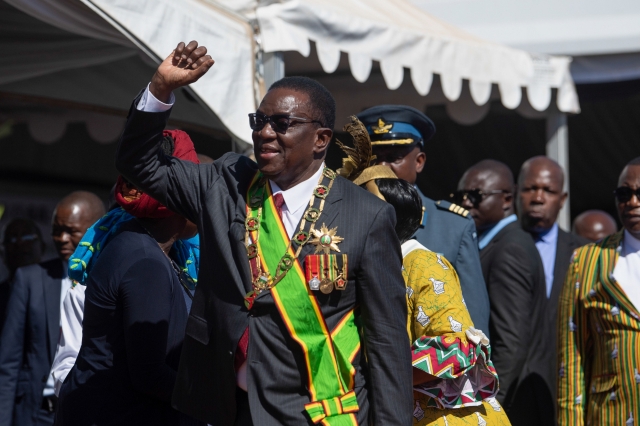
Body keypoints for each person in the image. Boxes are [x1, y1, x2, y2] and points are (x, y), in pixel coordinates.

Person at [115, 41, 411, 425]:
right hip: (227, 406)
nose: (265, 133)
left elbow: (386, 340)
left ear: (321, 139)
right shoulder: (225, 183)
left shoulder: (367, 217)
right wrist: (160, 88)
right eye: (259, 121)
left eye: (282, 124)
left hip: (317, 412)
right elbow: (137, 163)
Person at [338, 117, 510, 425]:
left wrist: (375, 378)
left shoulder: (424, 264)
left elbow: (454, 348)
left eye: (356, 211)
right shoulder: (368, 266)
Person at [54, 131, 202, 426]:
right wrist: (212, 400)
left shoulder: (140, 246)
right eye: (198, 187)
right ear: (180, 195)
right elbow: (149, 374)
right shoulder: (145, 261)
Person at [356, 105, 490, 335]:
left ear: (419, 161)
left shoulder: (453, 227)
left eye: (393, 158)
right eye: (374, 159)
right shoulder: (348, 218)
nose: (382, 168)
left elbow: (474, 325)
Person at [456, 160, 549, 425]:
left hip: (514, 401)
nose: (466, 203)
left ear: (507, 198)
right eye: (461, 195)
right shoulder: (494, 243)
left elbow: (511, 340)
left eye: (476, 195)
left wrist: (492, 402)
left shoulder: (510, 248)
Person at [0, 192, 104, 426]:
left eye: (71, 231)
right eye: (57, 230)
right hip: (35, 414)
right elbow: (8, 364)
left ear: (96, 230)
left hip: (88, 414)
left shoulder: (112, 280)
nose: (62, 238)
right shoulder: (30, 279)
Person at [557, 157, 640, 426]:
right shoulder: (587, 261)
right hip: (611, 415)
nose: (632, 202)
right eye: (624, 194)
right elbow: (571, 356)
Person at [517, 155, 588, 420]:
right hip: (511, 394)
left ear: (563, 199)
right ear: (516, 192)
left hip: (565, 393)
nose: (538, 197)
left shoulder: (583, 253)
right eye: (530, 188)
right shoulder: (497, 248)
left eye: (548, 190)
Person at [0, 218, 45, 332]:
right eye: (11, 239)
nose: (19, 243)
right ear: (2, 253)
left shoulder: (59, 293)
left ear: (42, 248)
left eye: (27, 237)